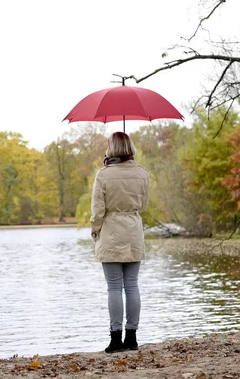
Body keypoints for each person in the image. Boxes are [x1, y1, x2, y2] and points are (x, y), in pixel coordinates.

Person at [90, 131, 149, 353]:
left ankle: (116, 339)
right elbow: (143, 205)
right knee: (132, 285)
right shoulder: (142, 173)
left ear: (111, 148)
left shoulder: (103, 175)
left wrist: (95, 231)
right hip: (133, 230)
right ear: (130, 147)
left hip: (111, 231)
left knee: (114, 287)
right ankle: (132, 338)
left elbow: (98, 210)